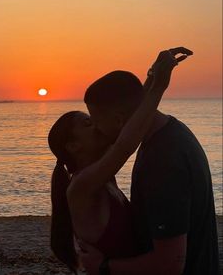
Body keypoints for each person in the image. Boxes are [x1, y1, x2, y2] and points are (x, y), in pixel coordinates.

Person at [48, 48, 191, 274]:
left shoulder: (103, 173)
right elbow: (125, 144)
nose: (98, 125)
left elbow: (126, 122)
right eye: (89, 123)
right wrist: (159, 87)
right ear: (74, 146)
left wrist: (151, 78)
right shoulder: (81, 186)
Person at [81, 52, 220, 274]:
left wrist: (103, 266)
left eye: (97, 124)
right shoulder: (171, 132)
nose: (97, 132)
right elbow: (136, 110)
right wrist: (153, 77)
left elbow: (169, 264)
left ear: (118, 120)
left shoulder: (163, 160)